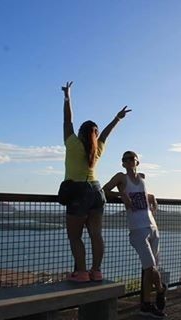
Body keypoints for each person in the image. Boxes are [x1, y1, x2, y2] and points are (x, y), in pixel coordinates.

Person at [62, 81, 131, 282]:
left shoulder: (73, 143)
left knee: (75, 237)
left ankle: (82, 273)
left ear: (81, 133)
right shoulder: (98, 149)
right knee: (96, 234)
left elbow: (68, 121)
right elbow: (106, 133)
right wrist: (118, 118)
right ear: (95, 135)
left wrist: (67, 96)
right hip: (96, 191)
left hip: (77, 192)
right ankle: (96, 271)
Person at [103, 151, 167, 318]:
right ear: (123, 164)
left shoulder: (143, 179)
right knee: (151, 267)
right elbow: (104, 190)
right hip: (137, 229)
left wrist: (152, 198)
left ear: (138, 162)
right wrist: (121, 195)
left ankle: (146, 305)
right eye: (125, 159)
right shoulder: (121, 178)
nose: (129, 161)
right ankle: (161, 289)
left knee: (148, 269)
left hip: (152, 225)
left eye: (132, 158)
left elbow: (144, 196)